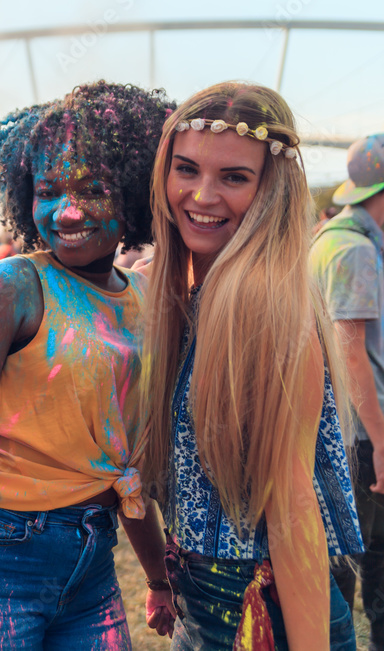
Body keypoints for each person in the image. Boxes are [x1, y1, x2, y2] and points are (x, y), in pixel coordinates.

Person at [0, 82, 176, 651]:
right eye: (48, 190)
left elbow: (120, 457)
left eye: (94, 189)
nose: (66, 211)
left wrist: (157, 576)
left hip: (94, 560)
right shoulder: (16, 285)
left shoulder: (147, 297)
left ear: (132, 193)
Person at [136, 82, 363, 650]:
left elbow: (292, 510)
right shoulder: (188, 293)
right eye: (185, 169)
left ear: (271, 190)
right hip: (203, 601)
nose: (202, 195)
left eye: (234, 177)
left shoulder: (267, 311)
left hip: (266, 614)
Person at [309, 132, 384, 651]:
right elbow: (350, 349)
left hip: (339, 429)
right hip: (362, 437)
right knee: (370, 565)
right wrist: (382, 443)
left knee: (342, 558)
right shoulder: (353, 250)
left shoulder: (331, 237)